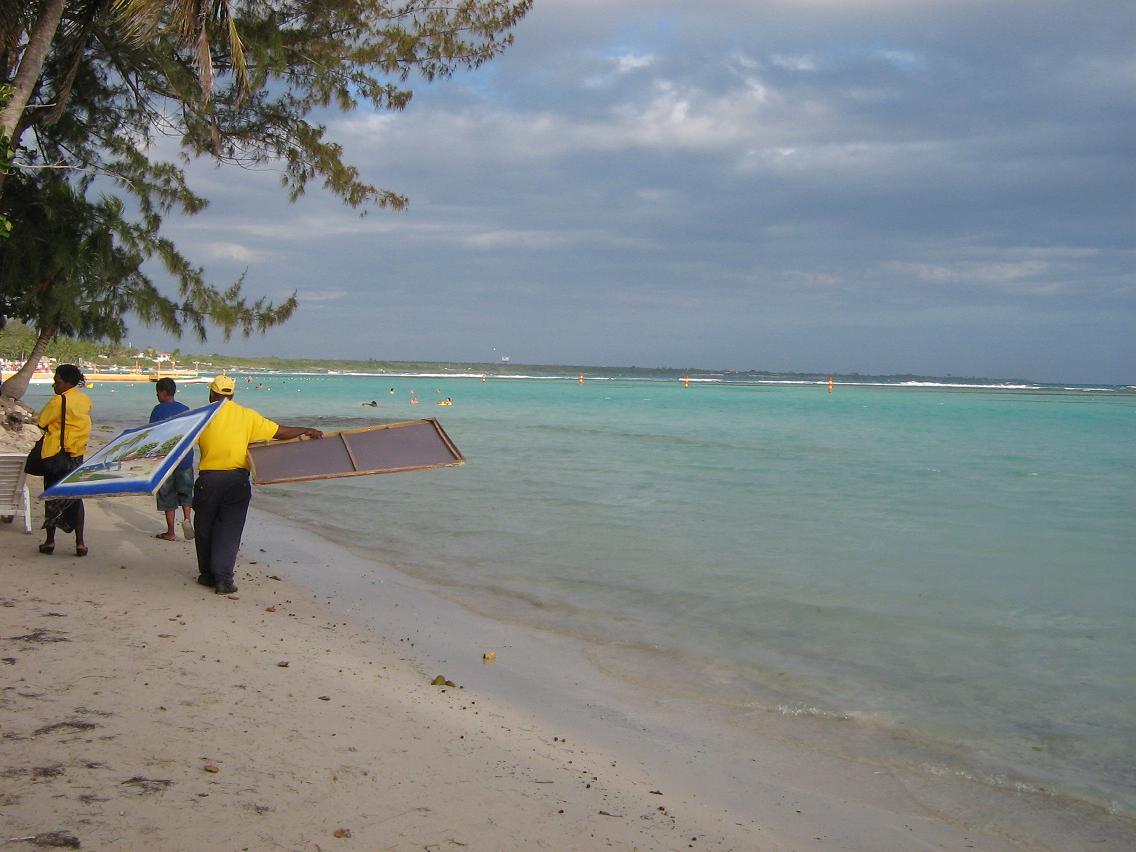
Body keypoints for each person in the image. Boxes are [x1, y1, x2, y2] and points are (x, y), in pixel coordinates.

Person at [192, 375, 323, 595]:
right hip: (236, 480)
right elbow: (279, 432)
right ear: (232, 395)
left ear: (211, 394)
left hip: (208, 479)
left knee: (205, 527)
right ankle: (223, 580)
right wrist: (305, 430)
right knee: (229, 528)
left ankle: (207, 575)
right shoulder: (247, 416)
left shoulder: (200, 416)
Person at [36, 364, 92, 556]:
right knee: (75, 498)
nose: (54, 385)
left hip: (55, 455)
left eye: (57, 381)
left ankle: (50, 541)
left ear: (67, 382)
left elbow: (41, 421)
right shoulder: (84, 400)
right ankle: (80, 543)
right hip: (76, 456)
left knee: (52, 496)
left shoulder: (58, 400)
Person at [150, 378, 194, 541]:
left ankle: (170, 532)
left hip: (166, 459)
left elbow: (152, 434)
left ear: (163, 392)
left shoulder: (158, 410)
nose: (156, 395)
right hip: (185, 457)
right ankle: (187, 520)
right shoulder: (186, 409)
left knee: (167, 495)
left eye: (157, 391)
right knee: (185, 492)